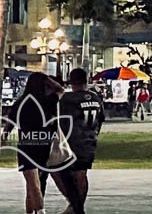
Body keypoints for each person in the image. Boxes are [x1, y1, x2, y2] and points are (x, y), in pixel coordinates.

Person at [16, 71, 86, 214]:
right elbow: (60, 90)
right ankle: (75, 208)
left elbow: (14, 124)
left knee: (33, 185)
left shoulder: (22, 103)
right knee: (64, 182)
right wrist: (45, 78)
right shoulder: (49, 101)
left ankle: (35, 211)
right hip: (49, 146)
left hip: (29, 147)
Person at [58, 67, 104, 212]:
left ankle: (75, 206)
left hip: (73, 141)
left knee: (63, 174)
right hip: (89, 140)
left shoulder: (68, 99)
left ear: (71, 81)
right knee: (82, 174)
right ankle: (77, 206)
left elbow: (61, 120)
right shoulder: (96, 98)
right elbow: (100, 119)